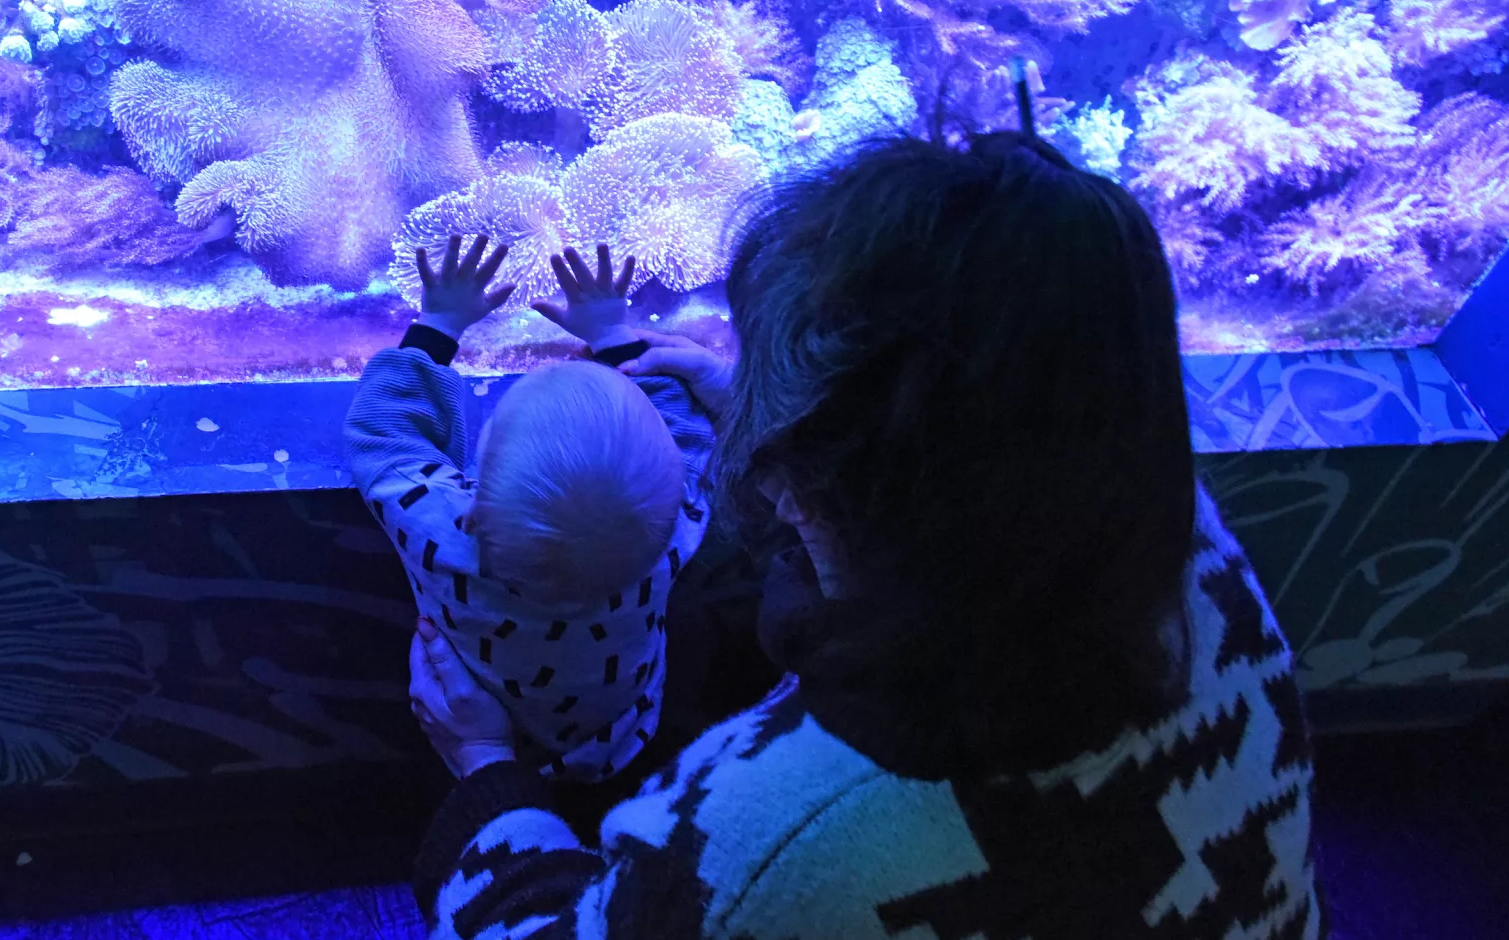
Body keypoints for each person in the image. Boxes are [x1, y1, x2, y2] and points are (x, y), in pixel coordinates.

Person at [406, 133, 1323, 937]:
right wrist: (752, 407)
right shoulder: (1186, 551)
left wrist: (486, 766)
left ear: (812, 482)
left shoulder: (772, 829)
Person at [345, 236, 715, 784]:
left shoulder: (438, 530)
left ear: (472, 505)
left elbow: (384, 435)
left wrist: (438, 326)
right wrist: (615, 335)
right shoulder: (672, 534)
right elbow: (686, 433)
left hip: (480, 740)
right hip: (623, 735)